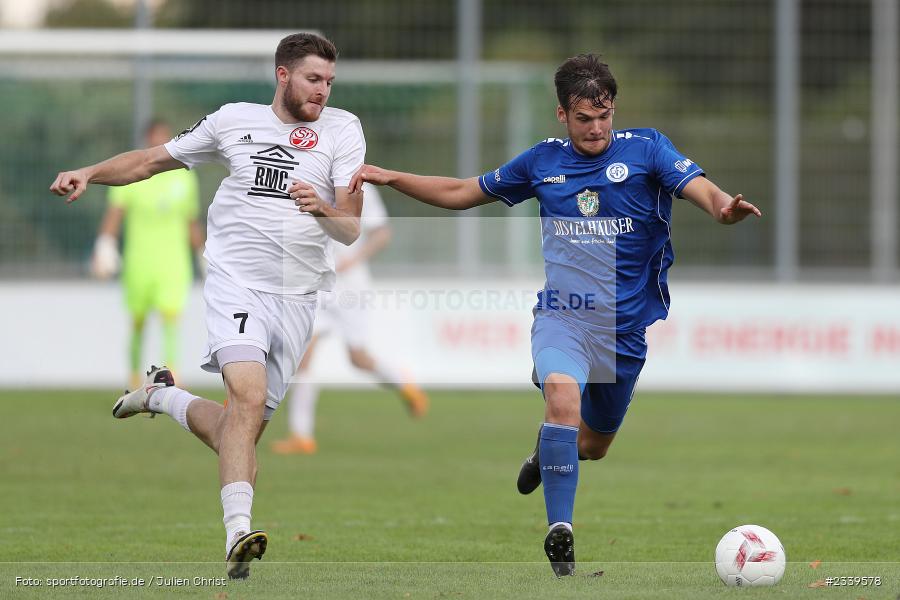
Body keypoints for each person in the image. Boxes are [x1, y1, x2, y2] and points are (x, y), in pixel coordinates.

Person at [349, 53, 761, 577]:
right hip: (564, 315)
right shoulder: (542, 162)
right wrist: (391, 176)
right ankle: (560, 532)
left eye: (604, 115)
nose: (596, 128)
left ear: (614, 109)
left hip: (623, 331)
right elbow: (461, 193)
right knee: (562, 402)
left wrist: (723, 208)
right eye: (584, 118)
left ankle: (547, 454)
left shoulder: (648, 150)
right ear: (562, 115)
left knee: (592, 444)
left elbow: (700, 188)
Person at [50, 32, 365, 580]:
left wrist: (323, 210)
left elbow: (351, 228)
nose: (323, 92)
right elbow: (151, 161)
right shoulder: (231, 121)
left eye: (330, 82)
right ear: (283, 75)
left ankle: (164, 398)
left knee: (233, 430)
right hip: (235, 282)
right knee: (245, 394)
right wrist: (91, 173)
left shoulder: (344, 129)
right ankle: (238, 533)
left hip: (298, 295)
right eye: (314, 79)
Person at [271, 183, 428, 455]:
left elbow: (382, 234)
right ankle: (301, 435)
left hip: (350, 285)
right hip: (318, 282)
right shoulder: (311, 178)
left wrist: (353, 260)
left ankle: (403, 383)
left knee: (358, 358)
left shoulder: (361, 188)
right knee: (304, 354)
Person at [91, 119, 205, 390]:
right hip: (139, 261)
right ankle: (133, 379)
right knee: (138, 322)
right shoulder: (133, 175)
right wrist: (105, 244)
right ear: (146, 140)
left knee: (171, 319)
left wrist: (202, 254)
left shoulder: (184, 176)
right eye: (155, 138)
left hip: (173, 263)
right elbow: (115, 213)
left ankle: (170, 379)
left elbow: (191, 220)